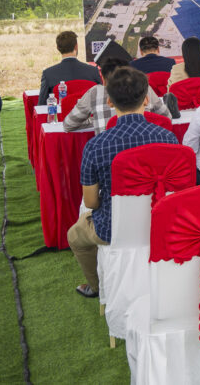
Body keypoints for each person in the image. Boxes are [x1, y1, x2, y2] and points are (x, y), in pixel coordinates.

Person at [68, 67, 177, 298]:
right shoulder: (167, 138)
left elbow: (91, 202)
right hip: (163, 222)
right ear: (147, 100)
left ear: (109, 101)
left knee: (74, 235)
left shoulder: (96, 146)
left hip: (112, 228)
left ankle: (98, 287)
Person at [63, 57, 170, 134]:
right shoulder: (144, 87)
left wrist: (94, 121)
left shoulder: (95, 92)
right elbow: (166, 116)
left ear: (104, 80)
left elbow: (69, 124)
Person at [38, 31, 101, 104]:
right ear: (76, 46)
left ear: (58, 48)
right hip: (89, 114)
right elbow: (103, 99)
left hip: (62, 115)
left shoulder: (48, 74)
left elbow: (41, 105)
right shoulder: (93, 71)